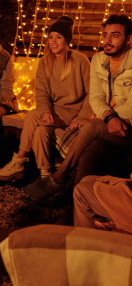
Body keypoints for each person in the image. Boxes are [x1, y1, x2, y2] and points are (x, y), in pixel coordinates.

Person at [24, 14, 132, 199]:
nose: (107, 40)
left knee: (91, 126)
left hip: (126, 126)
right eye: (105, 35)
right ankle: (74, 201)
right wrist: (107, 116)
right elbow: (96, 97)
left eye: (114, 35)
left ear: (129, 39)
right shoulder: (99, 60)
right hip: (106, 123)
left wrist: (106, 117)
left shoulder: (81, 60)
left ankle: (58, 177)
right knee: (91, 148)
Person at [0, 16, 93, 181]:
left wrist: (82, 118)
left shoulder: (79, 60)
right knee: (40, 131)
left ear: (66, 40)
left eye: (58, 37)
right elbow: (41, 92)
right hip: (55, 109)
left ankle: (18, 160)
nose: (53, 41)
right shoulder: (45, 62)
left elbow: (92, 93)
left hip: (73, 111)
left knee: (32, 115)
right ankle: (46, 175)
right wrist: (45, 111)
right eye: (51, 37)